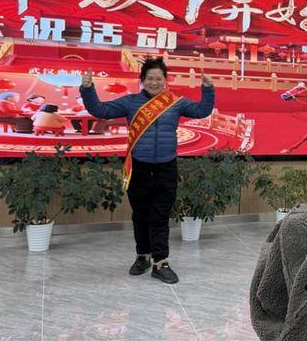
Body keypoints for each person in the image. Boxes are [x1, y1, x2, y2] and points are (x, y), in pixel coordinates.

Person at [80, 57, 215, 284]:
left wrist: (208, 88)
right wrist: (87, 89)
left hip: (166, 167)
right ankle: (142, 256)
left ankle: (160, 263)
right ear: (142, 80)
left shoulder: (176, 102)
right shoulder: (130, 102)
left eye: (158, 79)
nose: (154, 82)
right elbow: (100, 110)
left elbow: (202, 110)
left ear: (165, 80)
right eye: (150, 78)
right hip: (139, 167)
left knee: (160, 216)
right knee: (140, 215)